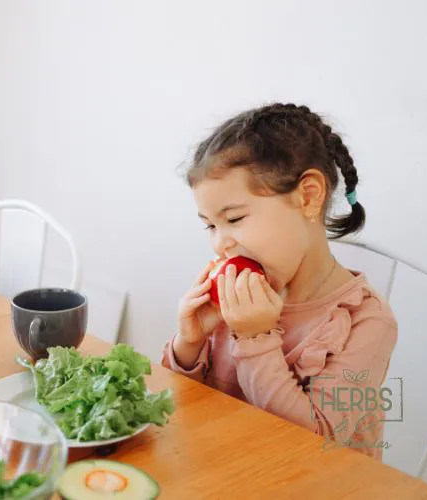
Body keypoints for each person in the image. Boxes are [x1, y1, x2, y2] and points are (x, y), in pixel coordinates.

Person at [162, 103, 397, 460]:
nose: (219, 242)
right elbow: (180, 410)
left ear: (308, 196)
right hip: (229, 468)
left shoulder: (367, 321)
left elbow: (317, 448)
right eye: (211, 225)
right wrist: (188, 345)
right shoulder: (239, 295)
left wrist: (256, 339)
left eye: (235, 218)